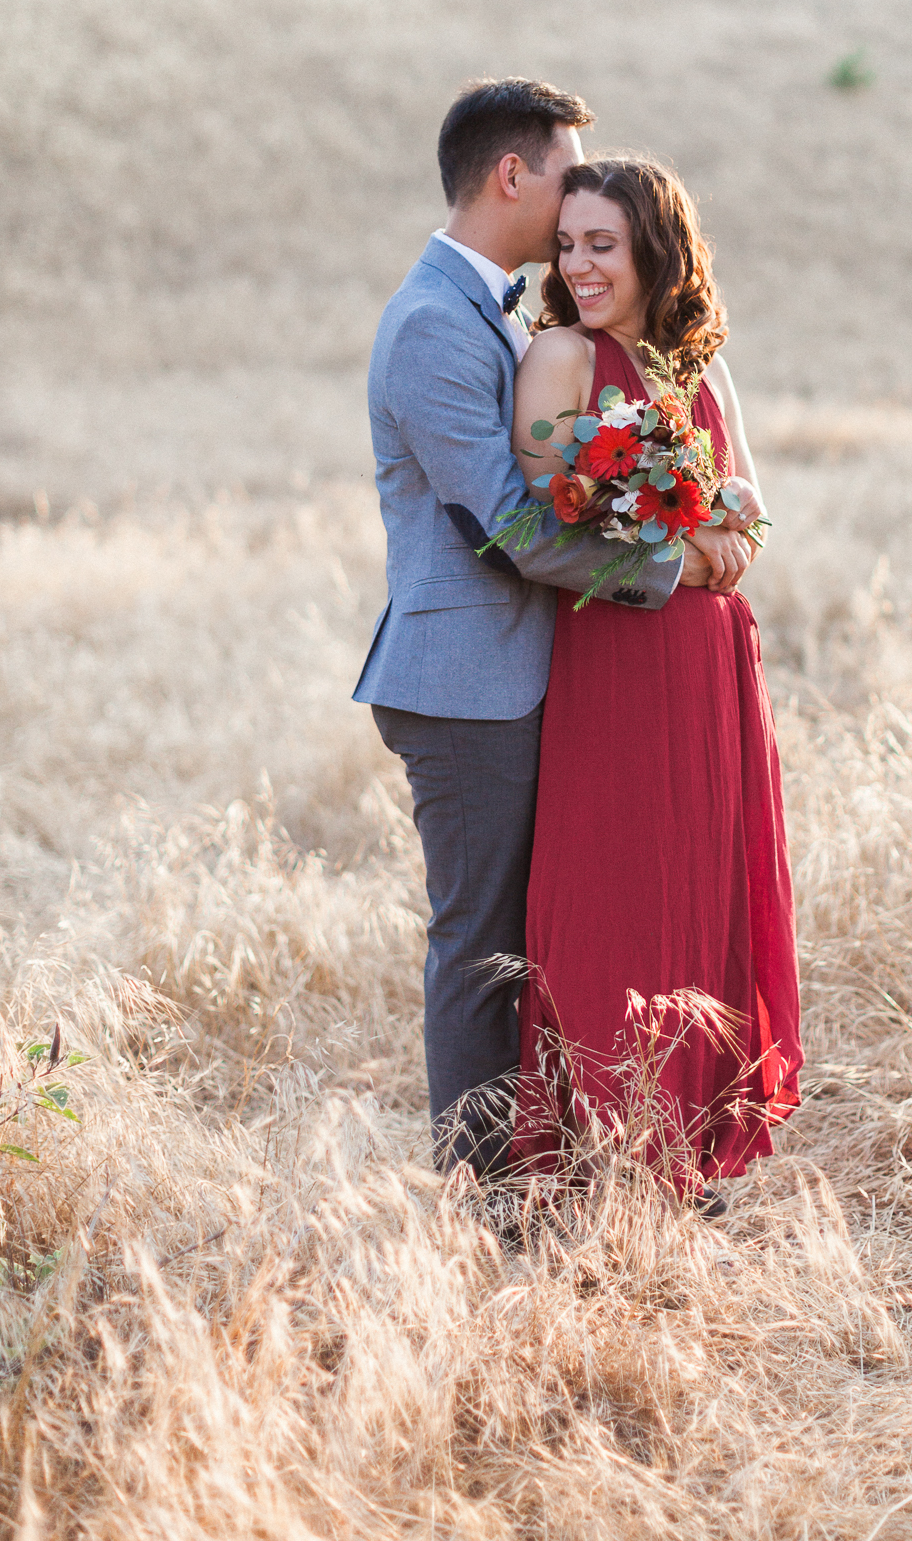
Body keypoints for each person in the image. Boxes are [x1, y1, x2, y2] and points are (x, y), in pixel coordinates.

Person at [352, 80, 752, 1180]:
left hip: (524, 674)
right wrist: (674, 563)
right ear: (510, 177)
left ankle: (566, 1162)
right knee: (481, 949)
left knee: (539, 940)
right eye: (565, 176)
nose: (578, 199)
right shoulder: (436, 323)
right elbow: (517, 529)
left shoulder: (488, 309)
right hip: (465, 680)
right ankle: (479, 1199)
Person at [509, 156, 803, 1203]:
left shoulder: (698, 365)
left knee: (700, 883)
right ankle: (603, 1138)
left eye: (603, 245)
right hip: (615, 656)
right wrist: (676, 535)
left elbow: (757, 506)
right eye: (568, 244)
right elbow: (548, 517)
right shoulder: (558, 358)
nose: (579, 265)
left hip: (712, 660)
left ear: (654, 250)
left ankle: (681, 1150)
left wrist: (729, 528)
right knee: (609, 888)